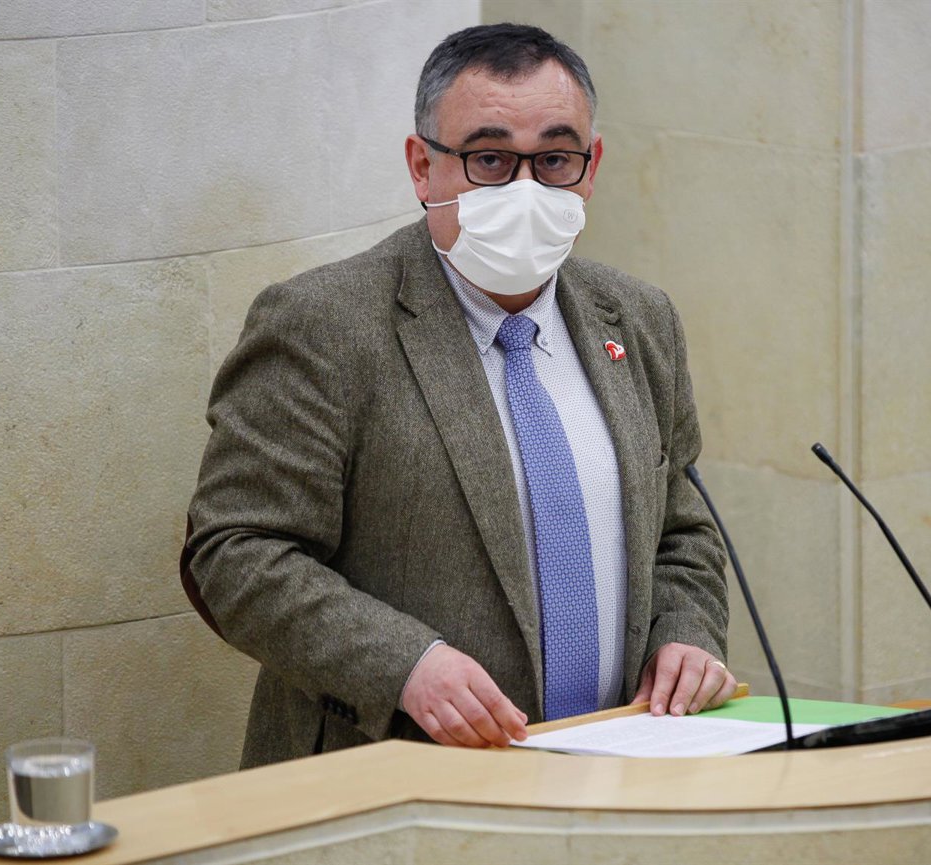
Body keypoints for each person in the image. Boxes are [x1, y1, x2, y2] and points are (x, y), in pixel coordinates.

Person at [181, 23, 735, 767]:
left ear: (592, 166)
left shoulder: (639, 320)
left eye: (555, 159)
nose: (526, 189)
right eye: (490, 159)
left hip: (615, 767)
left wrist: (686, 635)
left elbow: (683, 532)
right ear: (423, 166)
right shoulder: (323, 325)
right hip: (390, 772)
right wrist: (405, 666)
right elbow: (234, 552)